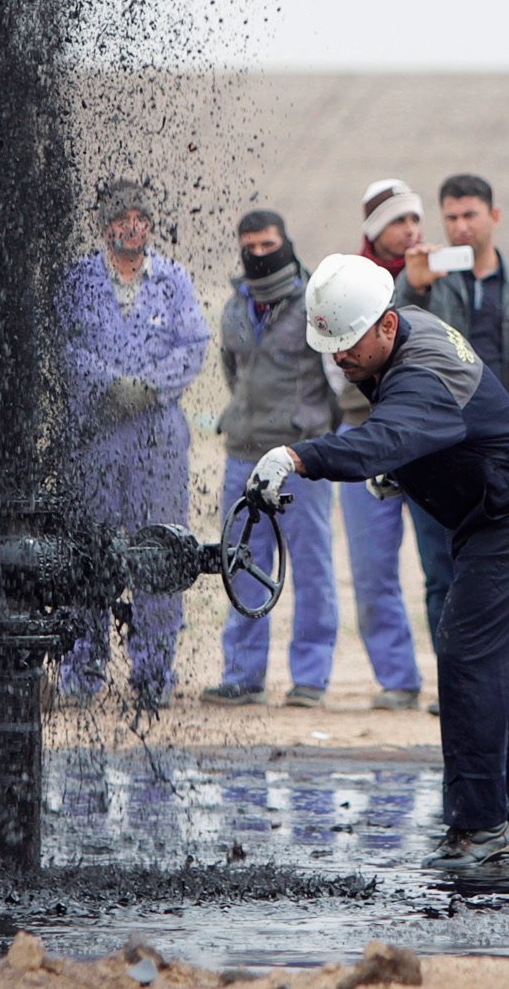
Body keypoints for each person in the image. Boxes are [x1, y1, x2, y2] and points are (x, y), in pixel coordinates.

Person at [245, 254, 509, 871]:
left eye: (347, 345)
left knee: (468, 648)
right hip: (498, 500)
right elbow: (436, 431)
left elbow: (387, 436)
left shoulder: (420, 368)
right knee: (506, 645)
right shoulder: (404, 330)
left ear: (385, 326)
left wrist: (295, 457)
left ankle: (482, 829)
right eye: (332, 347)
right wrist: (408, 470)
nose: (339, 359)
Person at [396, 173, 509, 718]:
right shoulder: (427, 284)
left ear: (494, 217)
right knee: (443, 576)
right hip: (438, 456)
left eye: (470, 215)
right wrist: (414, 286)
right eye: (450, 217)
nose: (460, 226)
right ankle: (457, 686)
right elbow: (393, 340)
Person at [59, 180, 209, 709]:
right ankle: (82, 669)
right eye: (120, 217)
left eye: (139, 217)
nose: (131, 226)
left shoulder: (174, 280)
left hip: (157, 442)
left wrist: (147, 389)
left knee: (158, 553)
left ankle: (152, 674)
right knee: (88, 555)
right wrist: (108, 386)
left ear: (150, 223)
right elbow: (63, 345)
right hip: (94, 438)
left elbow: (194, 346)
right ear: (105, 225)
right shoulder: (77, 279)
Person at [200, 210, 341, 708]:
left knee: (310, 564)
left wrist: (313, 432)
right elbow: (231, 369)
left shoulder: (315, 302)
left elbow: (336, 379)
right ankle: (242, 674)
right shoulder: (236, 304)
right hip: (243, 453)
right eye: (250, 245)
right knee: (240, 562)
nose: (259, 254)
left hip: (301, 457)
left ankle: (310, 676)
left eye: (268, 244)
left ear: (286, 242)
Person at [322, 178, 427, 709]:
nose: (410, 231)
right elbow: (337, 368)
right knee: (372, 569)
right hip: (365, 432)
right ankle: (398, 680)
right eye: (398, 221)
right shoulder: (345, 286)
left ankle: (461, 677)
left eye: (415, 220)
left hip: (429, 439)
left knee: (447, 567)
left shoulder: (438, 281)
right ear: (374, 230)